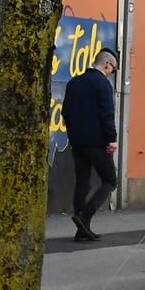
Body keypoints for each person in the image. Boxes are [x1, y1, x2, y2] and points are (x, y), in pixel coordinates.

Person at [61, 48, 119, 241]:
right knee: (110, 180)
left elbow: (65, 113)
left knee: (82, 183)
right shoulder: (103, 85)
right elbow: (107, 115)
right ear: (107, 64)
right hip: (97, 143)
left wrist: (73, 135)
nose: (111, 73)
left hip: (77, 142)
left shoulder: (74, 82)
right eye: (113, 69)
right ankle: (85, 216)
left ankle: (81, 231)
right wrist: (112, 139)